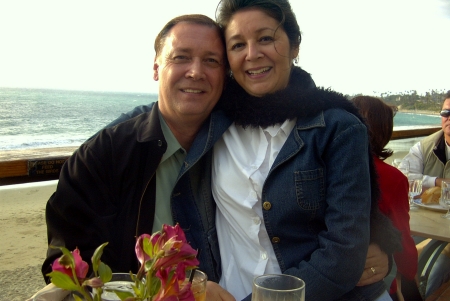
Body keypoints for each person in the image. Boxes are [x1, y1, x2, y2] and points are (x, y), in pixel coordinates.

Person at [102, 1, 401, 300]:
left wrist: (383, 247)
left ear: (295, 45)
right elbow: (156, 117)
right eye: (237, 45)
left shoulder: (338, 127)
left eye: (266, 38)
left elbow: (343, 252)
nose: (252, 54)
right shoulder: (214, 117)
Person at [42, 14, 234, 300]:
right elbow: (67, 268)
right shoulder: (101, 158)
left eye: (211, 61)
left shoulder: (239, 148)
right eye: (181, 57)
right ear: (156, 68)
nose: (196, 72)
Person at [352, 96, 420, 301]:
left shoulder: (323, 170)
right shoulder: (391, 178)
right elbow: (402, 242)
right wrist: (409, 271)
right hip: (371, 284)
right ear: (385, 131)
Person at [400, 90, 450, 298]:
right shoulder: (426, 146)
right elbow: (403, 175)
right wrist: (437, 181)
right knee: (397, 244)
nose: (449, 118)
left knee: (441, 262)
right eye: (446, 112)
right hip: (428, 218)